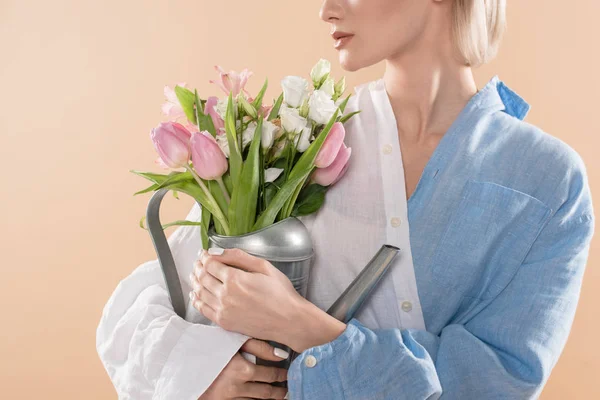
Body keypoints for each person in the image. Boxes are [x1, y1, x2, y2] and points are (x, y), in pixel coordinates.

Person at [97, 0, 595, 399]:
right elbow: (144, 307)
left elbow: (496, 382)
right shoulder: (295, 136)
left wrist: (297, 323)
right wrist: (203, 376)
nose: (326, 10)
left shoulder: (547, 182)